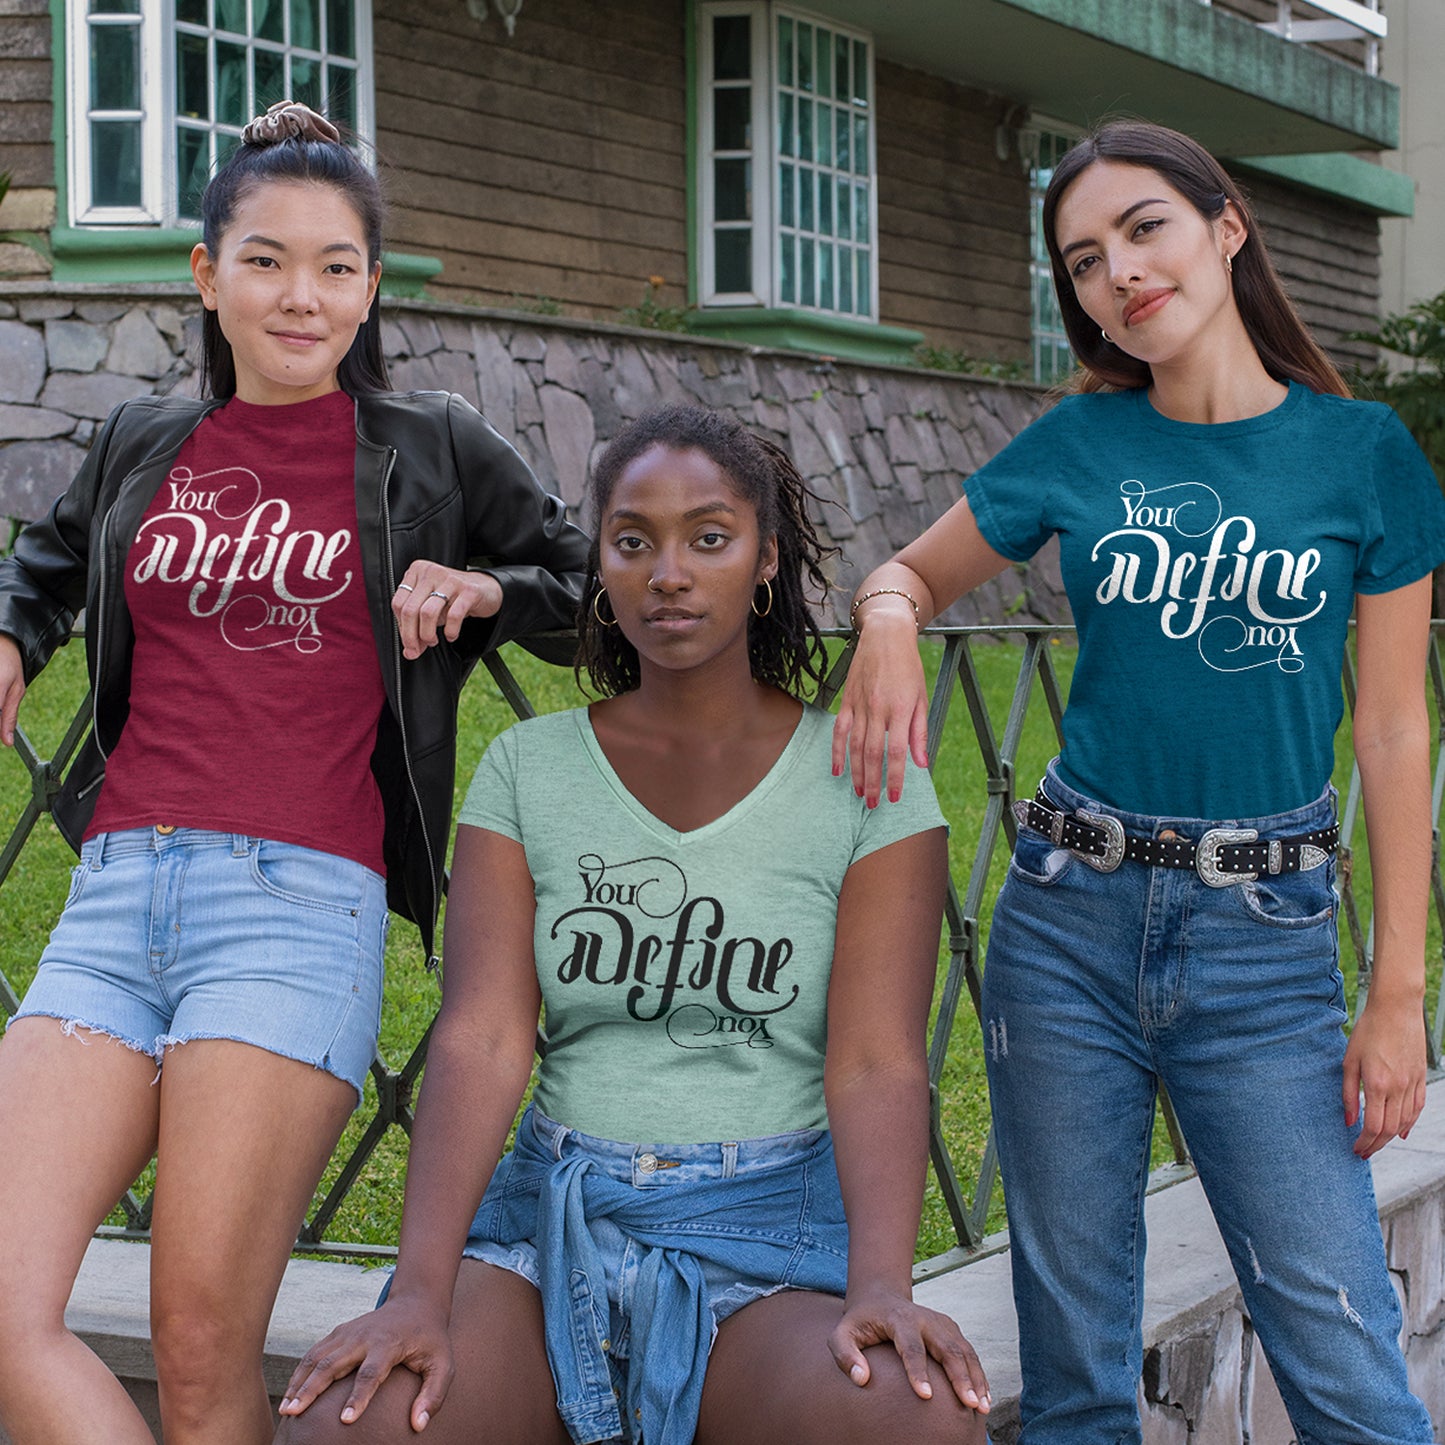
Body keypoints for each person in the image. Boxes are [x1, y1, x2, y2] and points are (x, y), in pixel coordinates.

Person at [832, 120, 1442, 1444]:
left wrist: (1396, 993)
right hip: (1064, 921)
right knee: (1073, 1372)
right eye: (1085, 259)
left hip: (1266, 948)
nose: (1119, 271)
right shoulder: (1081, 445)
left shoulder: (1363, 457)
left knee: (1344, 1363)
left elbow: (1395, 730)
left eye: (1144, 228)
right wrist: (888, 621)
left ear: (1227, 229)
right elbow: (905, 573)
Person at [0, 101, 589, 1445]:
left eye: (335, 265)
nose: (301, 294)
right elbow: (44, 560)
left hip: (293, 903)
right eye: (264, 260)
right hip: (112, 898)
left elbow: (588, 593)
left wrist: (485, 586)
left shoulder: (429, 447)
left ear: (372, 284)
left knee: (200, 1340)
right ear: (207, 278)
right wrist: (7, 631)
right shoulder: (145, 437)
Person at [273, 404, 991, 1445]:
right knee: (354, 1424)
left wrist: (881, 1282)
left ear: (763, 559)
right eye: (632, 540)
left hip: (765, 1234)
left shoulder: (865, 778)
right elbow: (481, 1033)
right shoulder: (529, 767)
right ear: (598, 567)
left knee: (912, 1423)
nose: (667, 571)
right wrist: (419, 1290)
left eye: (708, 536)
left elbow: (877, 1058)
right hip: (546, 1222)